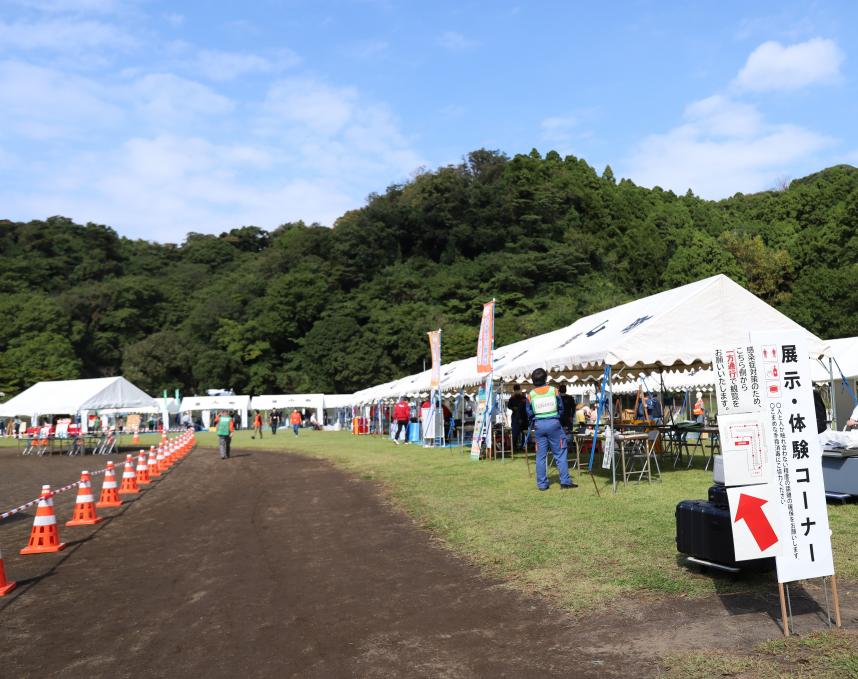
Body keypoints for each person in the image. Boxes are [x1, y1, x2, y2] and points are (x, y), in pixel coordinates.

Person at [526, 368, 575, 491]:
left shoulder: (530, 395)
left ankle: (542, 484)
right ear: (546, 378)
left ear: (533, 381)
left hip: (539, 425)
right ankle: (565, 481)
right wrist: (556, 417)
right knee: (560, 453)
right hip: (554, 424)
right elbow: (561, 408)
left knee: (540, 456)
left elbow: (529, 412)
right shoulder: (554, 391)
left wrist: (537, 419)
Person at [507, 384, 528, 451]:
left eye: (518, 390)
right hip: (515, 418)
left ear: (520, 390)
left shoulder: (524, 398)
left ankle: (524, 446)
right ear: (514, 390)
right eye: (516, 390)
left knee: (524, 432)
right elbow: (509, 406)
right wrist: (513, 408)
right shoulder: (512, 398)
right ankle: (514, 446)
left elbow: (527, 406)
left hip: (524, 417)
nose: (517, 391)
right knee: (515, 433)